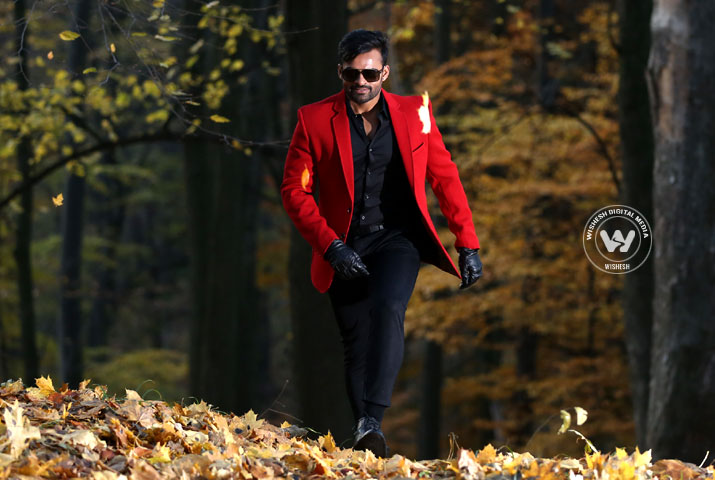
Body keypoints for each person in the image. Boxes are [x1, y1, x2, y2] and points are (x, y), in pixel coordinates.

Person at [281, 29, 482, 458]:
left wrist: (467, 243)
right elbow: (295, 191)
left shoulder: (416, 112)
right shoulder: (313, 120)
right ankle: (364, 435)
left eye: (370, 73)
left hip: (397, 238)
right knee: (356, 343)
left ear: (384, 73)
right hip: (342, 243)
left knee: (389, 306)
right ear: (340, 71)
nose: (361, 81)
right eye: (352, 73)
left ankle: (373, 419)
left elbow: (444, 175)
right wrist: (331, 246)